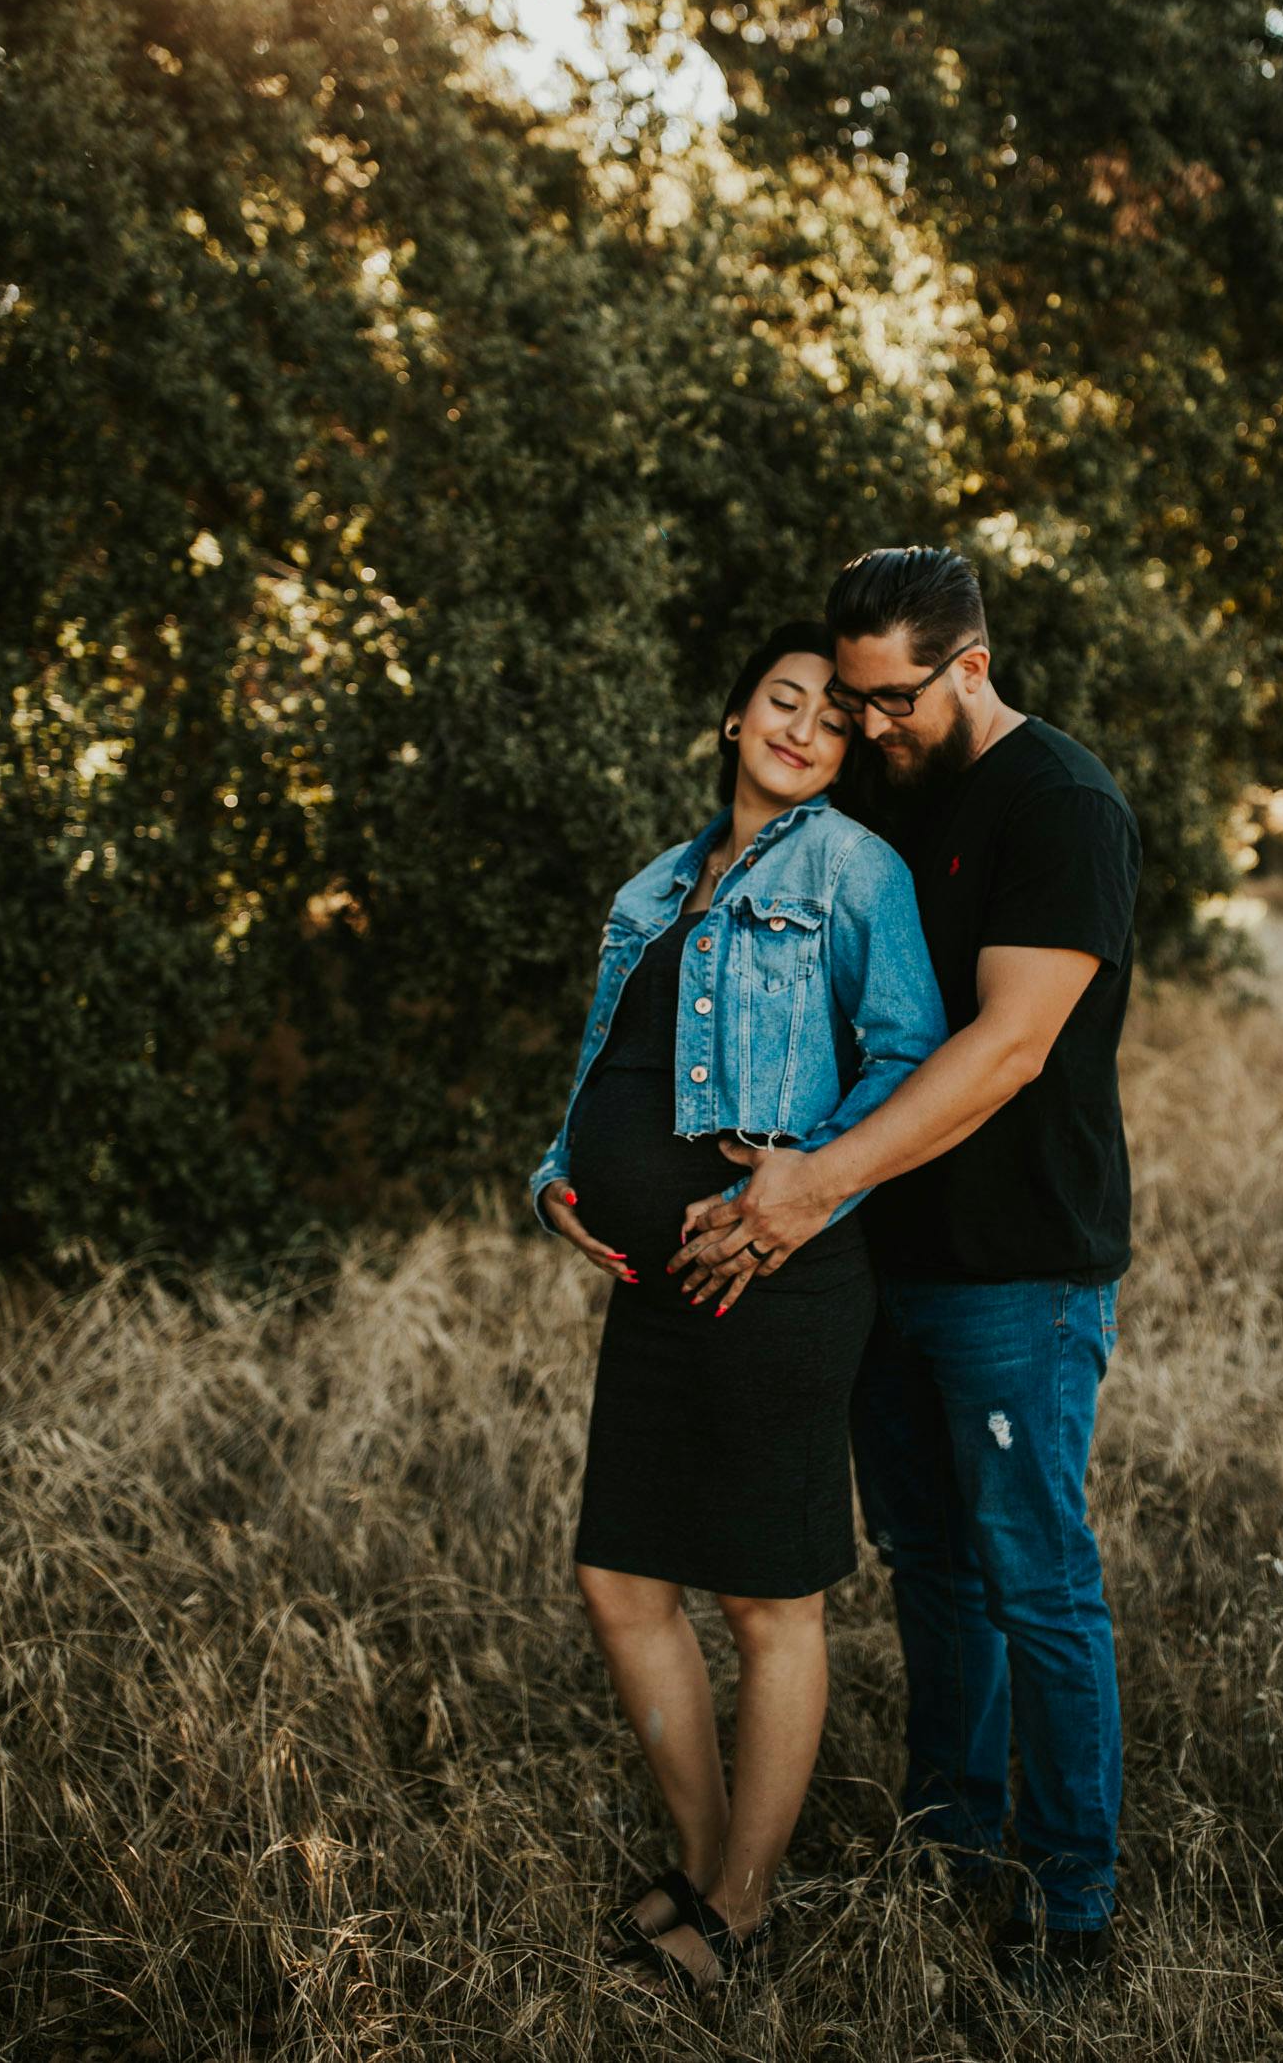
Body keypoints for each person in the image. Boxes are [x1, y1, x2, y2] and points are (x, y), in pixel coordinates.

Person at [669, 547, 1141, 1997]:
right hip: (886, 1256)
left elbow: (1006, 1048)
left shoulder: (1060, 805)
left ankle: (1070, 1903)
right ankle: (951, 1838)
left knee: (1033, 1574)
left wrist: (815, 1182)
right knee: (929, 1562)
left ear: (972, 667)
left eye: (893, 700)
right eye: (852, 700)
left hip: (1018, 1265)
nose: (866, 727)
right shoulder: (884, 791)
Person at [528, 620, 947, 1999]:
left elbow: (909, 1056)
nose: (803, 728)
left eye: (832, 718)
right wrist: (558, 1176)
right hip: (654, 1283)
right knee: (620, 1578)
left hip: (776, 1275)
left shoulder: (855, 869)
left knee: (769, 1601)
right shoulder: (656, 883)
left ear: (848, 753)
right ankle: (710, 1864)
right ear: (732, 716)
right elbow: (610, 1059)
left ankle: (743, 1912)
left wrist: (798, 1186)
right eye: (782, 699)